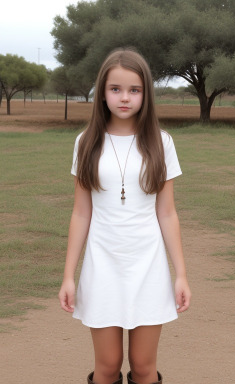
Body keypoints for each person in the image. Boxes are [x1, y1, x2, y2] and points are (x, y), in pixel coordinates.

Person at [59, 48, 191, 384]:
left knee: (143, 365)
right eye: (115, 89)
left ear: (145, 94)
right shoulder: (86, 142)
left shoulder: (161, 143)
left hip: (148, 265)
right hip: (102, 264)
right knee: (108, 365)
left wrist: (181, 275)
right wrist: (68, 276)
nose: (124, 97)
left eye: (134, 90)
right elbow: (80, 213)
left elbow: (167, 213)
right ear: (102, 93)